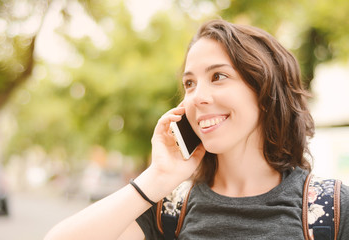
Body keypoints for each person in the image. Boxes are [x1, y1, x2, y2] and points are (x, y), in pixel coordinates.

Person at [44, 19, 349, 240]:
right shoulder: (170, 209)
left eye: (218, 76)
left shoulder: (330, 209)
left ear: (265, 90)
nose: (197, 97)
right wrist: (157, 177)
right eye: (189, 83)